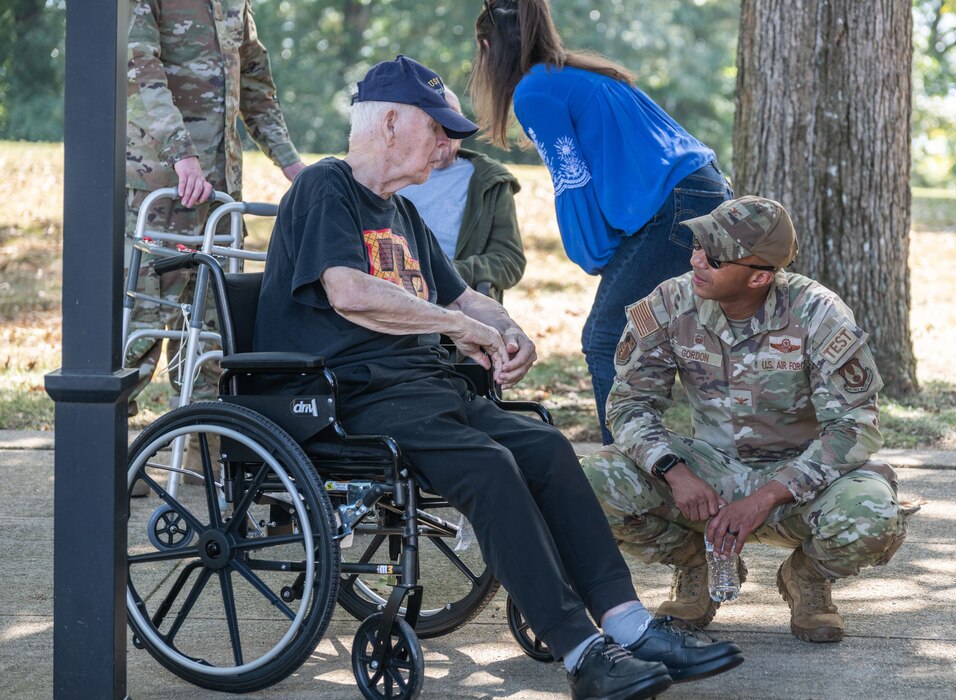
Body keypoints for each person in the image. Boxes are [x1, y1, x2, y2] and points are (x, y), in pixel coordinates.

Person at [254, 55, 743, 700]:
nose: (449, 145)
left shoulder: (401, 212)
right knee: (489, 466)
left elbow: (464, 301)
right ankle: (580, 652)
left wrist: (508, 332)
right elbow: (348, 292)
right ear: (392, 122)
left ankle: (629, 625)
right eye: (439, 130)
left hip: (424, 389)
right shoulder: (326, 188)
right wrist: (461, 330)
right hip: (347, 395)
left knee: (545, 447)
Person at [582, 196, 908, 644]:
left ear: (759, 276)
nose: (696, 260)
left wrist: (769, 496)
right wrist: (671, 471)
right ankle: (695, 562)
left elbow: (855, 424)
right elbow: (628, 403)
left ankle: (807, 578)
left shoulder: (817, 313)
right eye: (697, 246)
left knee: (873, 514)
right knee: (591, 482)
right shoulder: (670, 302)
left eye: (713, 257)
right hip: (708, 474)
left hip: (799, 481)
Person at [471, 0, 733, 444]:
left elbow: (571, 180)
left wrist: (592, 253)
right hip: (704, 191)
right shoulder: (581, 74)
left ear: (486, 47)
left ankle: (629, 471)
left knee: (605, 336)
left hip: (675, 204)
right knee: (675, 335)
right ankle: (684, 455)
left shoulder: (534, 92)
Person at [124, 0, 304, 412]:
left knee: (213, 340)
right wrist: (181, 154)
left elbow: (255, 86)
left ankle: (199, 465)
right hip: (161, 190)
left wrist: (292, 164)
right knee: (140, 332)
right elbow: (138, 67)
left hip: (220, 195)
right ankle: (102, 467)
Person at [398, 87, 526, 303]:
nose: (447, 131)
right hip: (396, 291)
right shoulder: (392, 177)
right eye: (437, 121)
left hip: (458, 297)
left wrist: (447, 273)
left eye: (453, 119)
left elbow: (509, 261)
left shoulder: (489, 181)